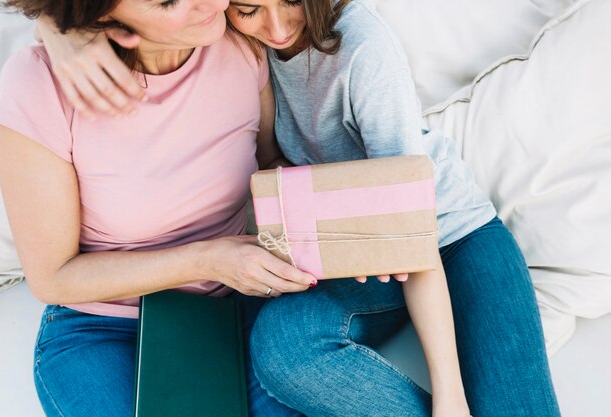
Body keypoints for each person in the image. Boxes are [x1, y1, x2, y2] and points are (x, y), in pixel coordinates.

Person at [33, 1, 561, 416]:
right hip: (348, 245)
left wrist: (451, 398)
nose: (279, 27)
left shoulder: (359, 45)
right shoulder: (233, 38)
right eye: (248, 9)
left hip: (449, 234)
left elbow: (412, 227)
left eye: (289, 2)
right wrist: (59, 32)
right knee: (286, 348)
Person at [0, 1, 318, 416]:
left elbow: (270, 164)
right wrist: (208, 260)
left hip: (236, 307)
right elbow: (53, 278)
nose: (212, 3)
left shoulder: (240, 45)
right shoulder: (38, 83)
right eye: (167, 1)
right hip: (105, 325)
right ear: (103, 15)